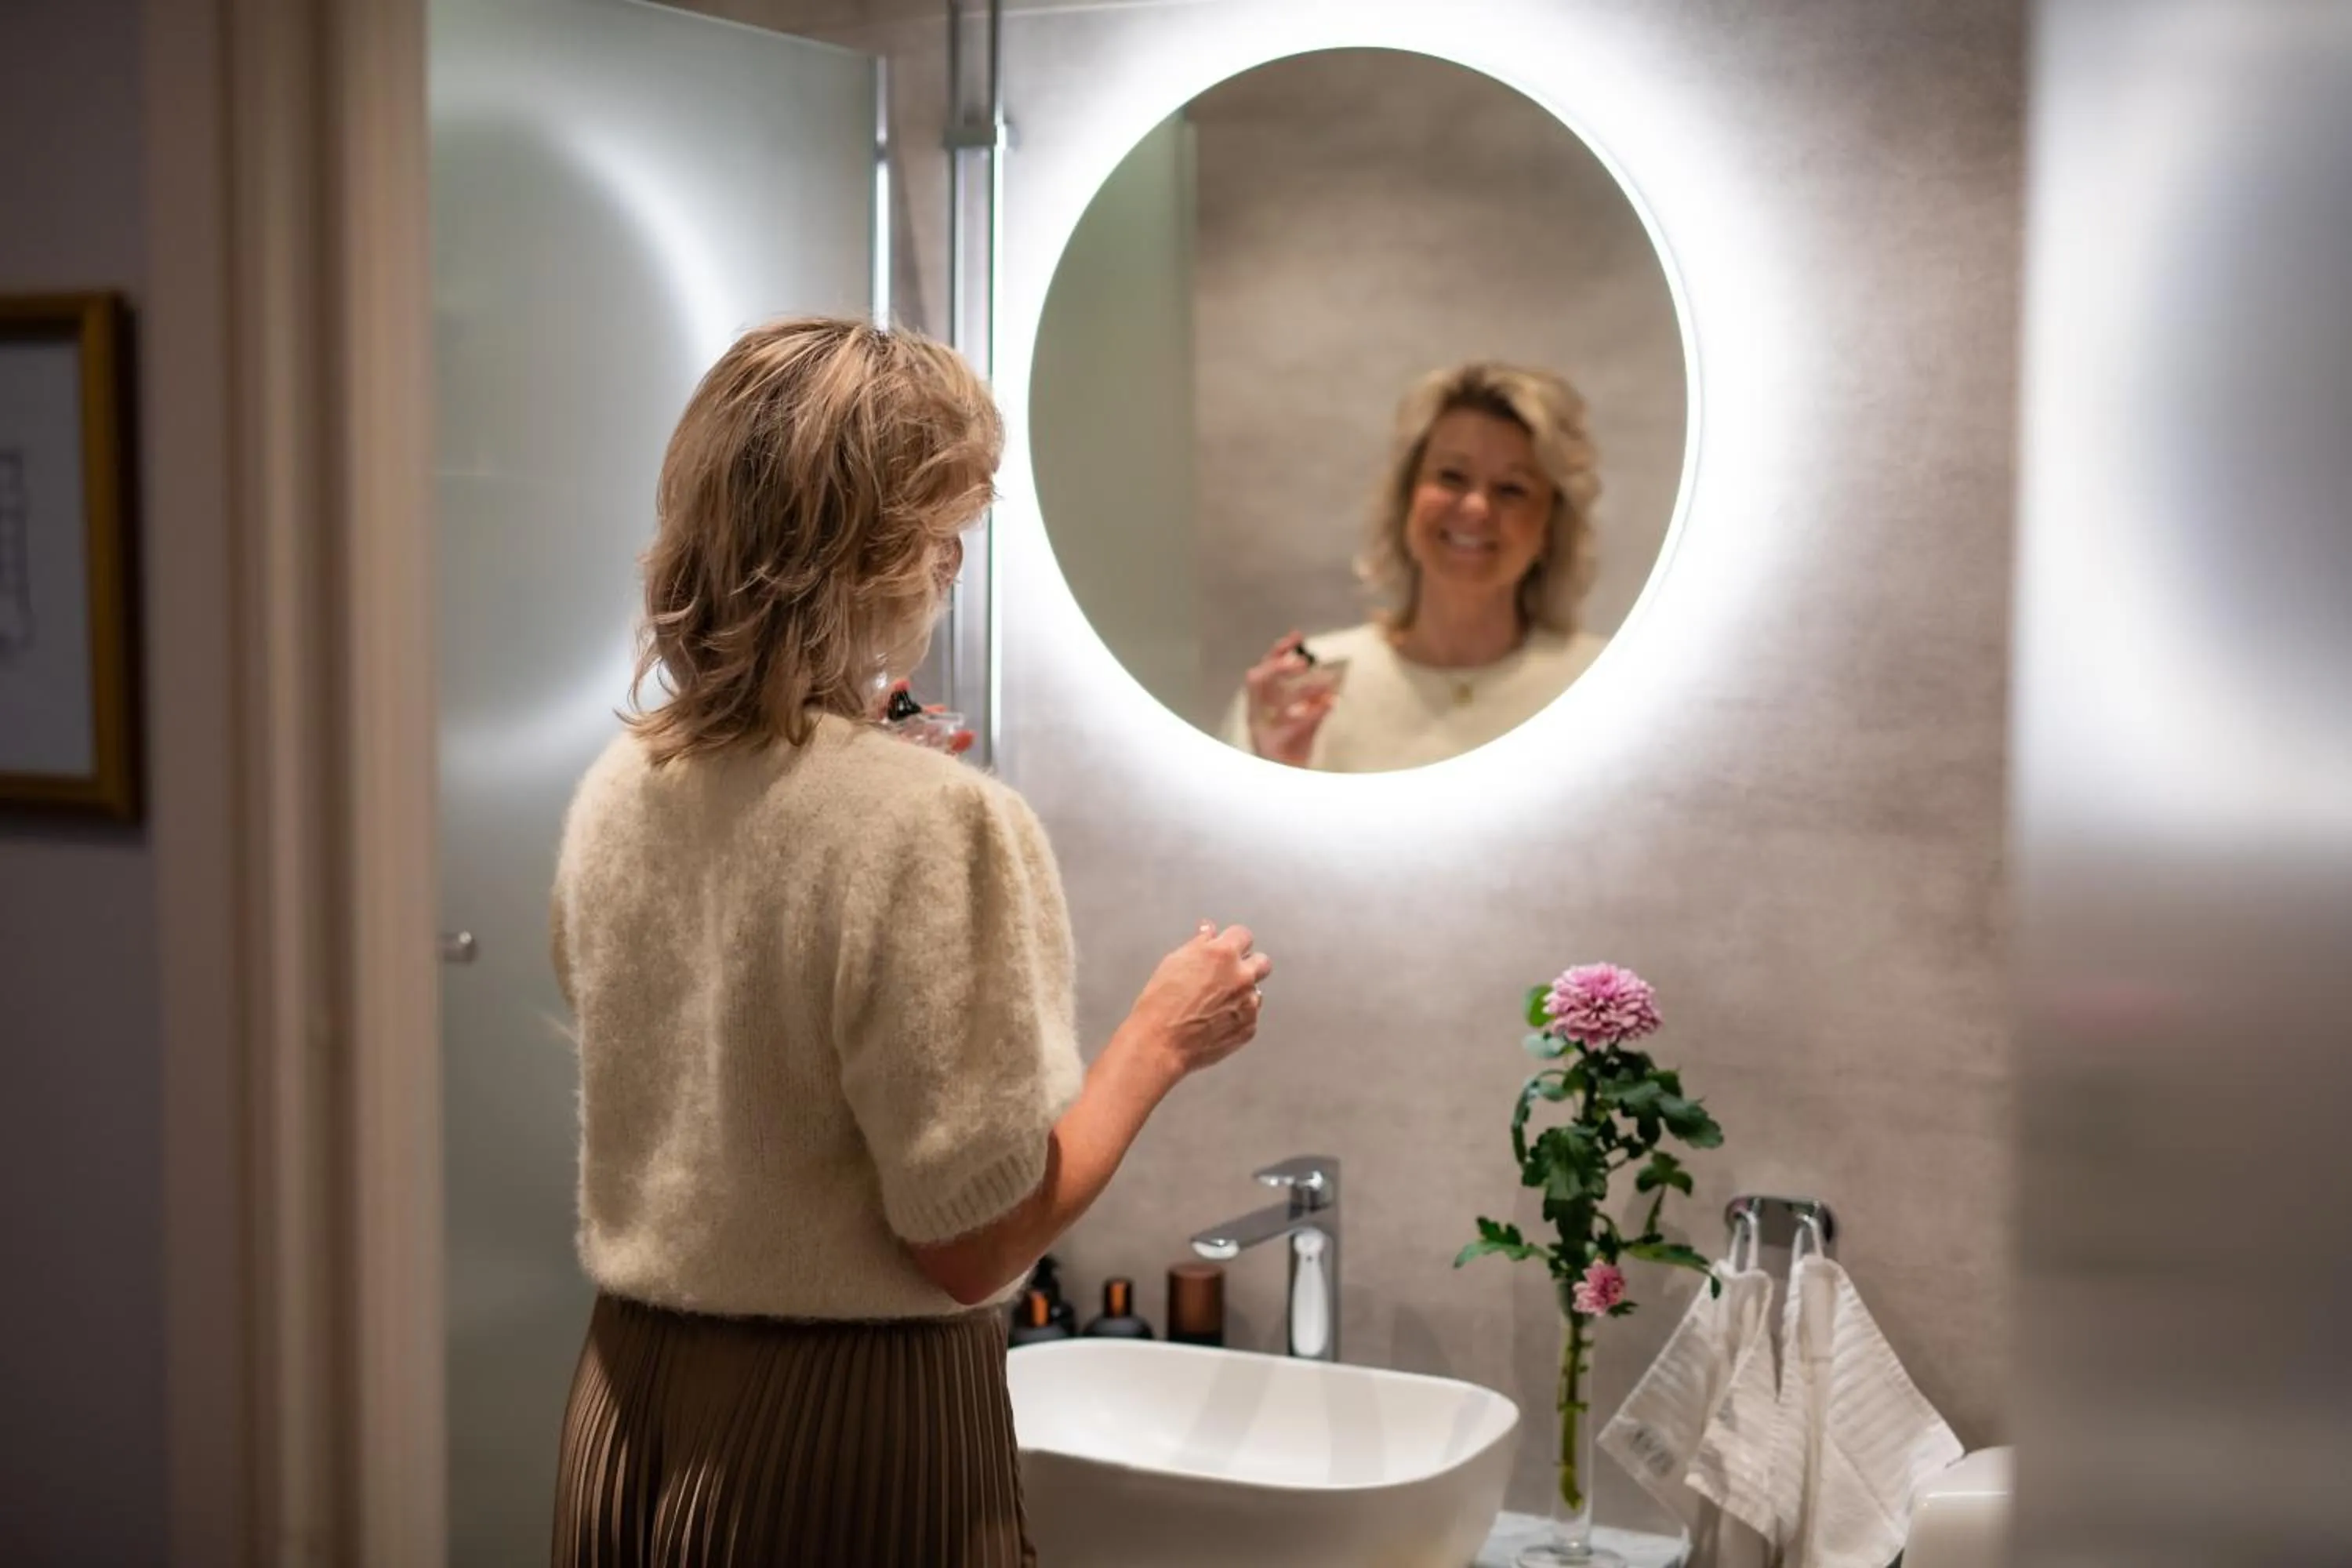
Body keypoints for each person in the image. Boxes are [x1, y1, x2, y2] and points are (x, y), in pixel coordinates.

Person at [547, 318, 1272, 1566]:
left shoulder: (622, 786)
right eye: (946, 539)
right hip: (841, 1441)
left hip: (625, 1406)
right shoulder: (934, 824)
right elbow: (973, 1243)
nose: (950, 572)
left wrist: (857, 775)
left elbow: (728, 1075)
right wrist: (1159, 1040)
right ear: (871, 558)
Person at [1224, 362, 1608, 772]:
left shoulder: (1606, 687)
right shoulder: (1300, 698)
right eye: (1452, 476)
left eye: (1512, 489)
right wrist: (1274, 770)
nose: (1476, 507)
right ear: (1406, 498)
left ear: (1551, 527)